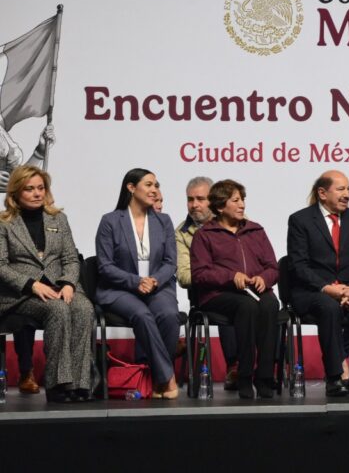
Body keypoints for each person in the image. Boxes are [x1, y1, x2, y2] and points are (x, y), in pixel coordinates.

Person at [0, 166, 94, 403]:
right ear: (16, 193)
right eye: (29, 189)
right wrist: (31, 285)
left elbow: (71, 258)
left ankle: (79, 384)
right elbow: (1, 266)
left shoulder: (58, 219)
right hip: (21, 294)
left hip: (59, 286)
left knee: (83, 308)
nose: (37, 193)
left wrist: (69, 283)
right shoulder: (4, 223)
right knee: (57, 309)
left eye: (41, 188)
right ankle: (58, 384)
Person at [286, 170, 349, 397]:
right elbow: (298, 265)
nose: (347, 194)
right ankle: (335, 377)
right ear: (322, 193)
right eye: (341, 189)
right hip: (313, 290)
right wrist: (328, 288)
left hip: (348, 287)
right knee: (329, 308)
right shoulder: (300, 220)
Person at [191, 179, 281, 399]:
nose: (242, 205)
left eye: (242, 200)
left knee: (271, 304)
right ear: (221, 207)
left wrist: (264, 278)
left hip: (255, 291)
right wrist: (231, 277)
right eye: (236, 201)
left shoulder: (256, 231)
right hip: (219, 294)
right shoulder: (205, 235)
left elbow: (273, 267)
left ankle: (265, 376)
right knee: (247, 306)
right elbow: (200, 274)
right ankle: (244, 376)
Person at [95, 168, 180, 399]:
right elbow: (105, 266)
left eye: (157, 185)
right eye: (149, 185)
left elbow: (171, 262)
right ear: (131, 188)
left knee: (170, 315)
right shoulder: (110, 221)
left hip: (156, 286)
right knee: (142, 315)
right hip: (120, 289)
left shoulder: (163, 221)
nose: (155, 190)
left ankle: (152, 376)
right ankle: (166, 377)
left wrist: (154, 280)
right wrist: (136, 282)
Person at [175, 176, 239, 390]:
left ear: (213, 200)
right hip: (205, 295)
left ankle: (267, 368)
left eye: (201, 199)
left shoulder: (237, 220)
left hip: (240, 288)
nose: (195, 205)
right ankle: (235, 367)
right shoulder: (182, 233)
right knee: (230, 310)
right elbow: (184, 276)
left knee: (269, 305)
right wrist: (220, 276)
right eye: (190, 199)